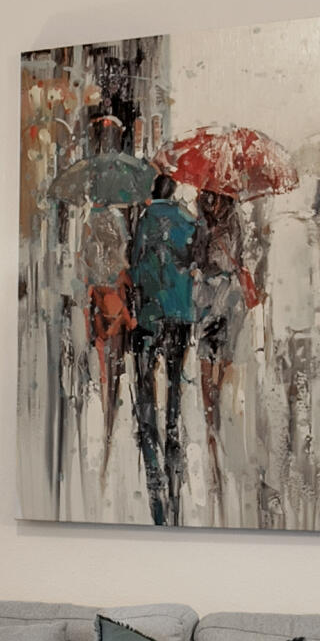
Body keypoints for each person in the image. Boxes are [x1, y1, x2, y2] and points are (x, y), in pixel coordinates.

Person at [126, 171, 200, 524]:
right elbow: (195, 260)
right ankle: (172, 421)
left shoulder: (144, 221)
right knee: (174, 370)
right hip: (181, 309)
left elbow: (136, 263)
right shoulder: (187, 220)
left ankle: (149, 425)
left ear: (153, 192)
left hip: (151, 311)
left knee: (146, 372)